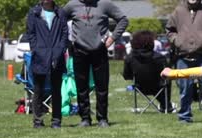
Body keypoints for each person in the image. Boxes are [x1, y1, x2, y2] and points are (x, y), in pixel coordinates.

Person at [64, 0, 128, 127]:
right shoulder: (71, 5)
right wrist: (68, 42)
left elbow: (123, 20)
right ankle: (85, 119)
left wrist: (112, 38)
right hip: (79, 51)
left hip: (99, 50)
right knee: (81, 88)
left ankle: (102, 118)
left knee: (102, 86)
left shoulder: (105, 4)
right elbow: (59, 21)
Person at [166, 0, 202, 124]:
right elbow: (170, 31)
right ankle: (184, 116)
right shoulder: (178, 11)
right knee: (185, 89)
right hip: (183, 56)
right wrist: (178, 41)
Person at [25, 0, 69, 129]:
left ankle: (56, 121)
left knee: (56, 90)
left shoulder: (60, 13)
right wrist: (36, 49)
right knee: (38, 90)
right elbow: (31, 34)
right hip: (39, 57)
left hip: (57, 56)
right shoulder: (34, 13)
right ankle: (38, 121)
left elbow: (64, 34)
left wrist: (59, 51)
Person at [123, 30, 174, 113]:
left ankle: (165, 104)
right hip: (158, 87)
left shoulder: (130, 58)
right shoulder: (160, 58)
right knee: (167, 80)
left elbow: (126, 76)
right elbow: (168, 74)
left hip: (140, 87)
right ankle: (166, 105)